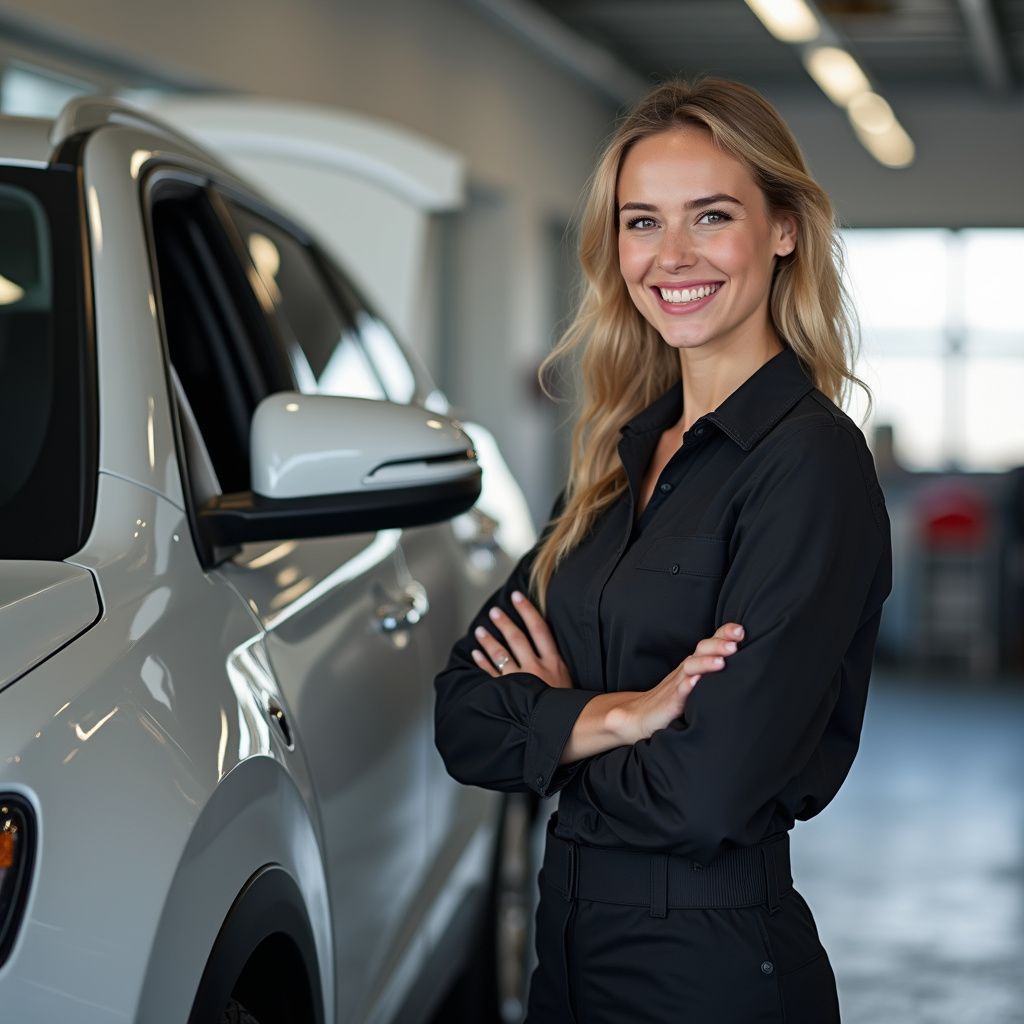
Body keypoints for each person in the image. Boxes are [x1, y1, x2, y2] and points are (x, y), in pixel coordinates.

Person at [433, 77, 892, 1024]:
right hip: (566, 951)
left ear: (783, 229)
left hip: (708, 970)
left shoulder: (810, 466)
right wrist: (615, 715)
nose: (671, 256)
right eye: (642, 223)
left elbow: (709, 793)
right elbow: (462, 716)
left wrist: (551, 728)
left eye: (711, 216)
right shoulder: (615, 460)